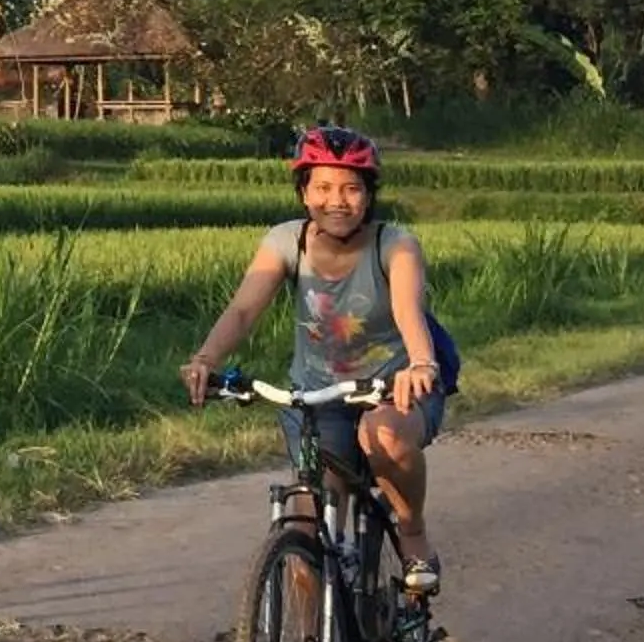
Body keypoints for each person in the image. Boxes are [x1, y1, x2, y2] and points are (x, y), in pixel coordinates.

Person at [180, 124, 446, 594]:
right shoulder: (287, 242)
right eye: (322, 187)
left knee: (382, 435)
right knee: (303, 528)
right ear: (304, 192)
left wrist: (421, 365)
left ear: (369, 195)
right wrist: (206, 358)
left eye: (350, 188)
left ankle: (412, 530)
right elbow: (243, 310)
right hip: (317, 396)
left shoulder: (395, 244)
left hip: (393, 388)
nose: (336, 200)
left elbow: (408, 311)